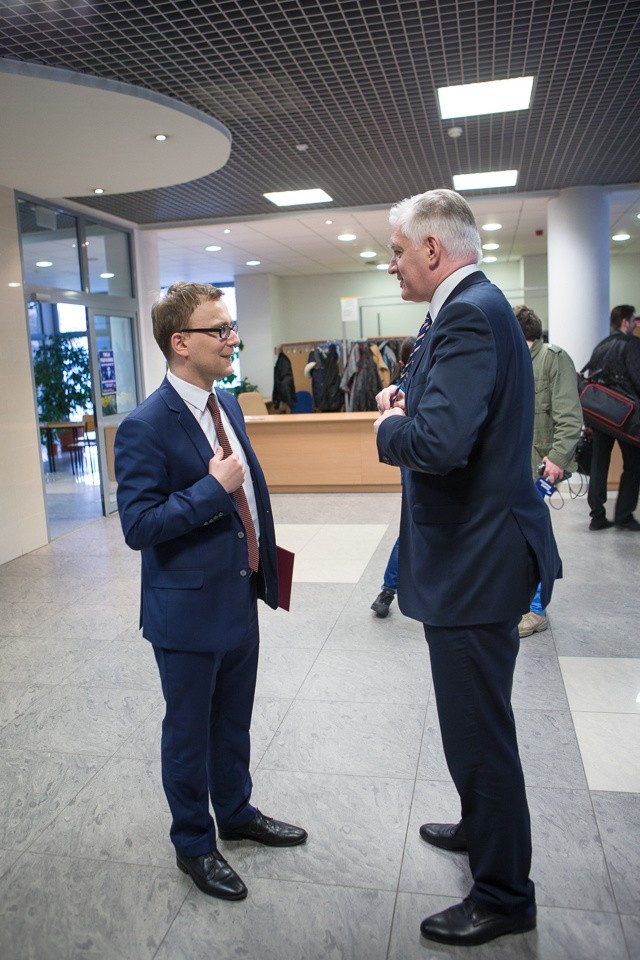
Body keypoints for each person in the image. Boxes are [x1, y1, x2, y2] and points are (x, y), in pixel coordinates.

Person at [373, 189, 562, 947]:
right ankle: (480, 827)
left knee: (479, 732)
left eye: (395, 251)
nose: (390, 264)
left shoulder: (466, 315)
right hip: (476, 552)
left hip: (475, 560)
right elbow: (457, 416)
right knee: (474, 725)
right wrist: (409, 397)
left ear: (430, 250)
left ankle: (504, 893)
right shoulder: (473, 309)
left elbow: (439, 445)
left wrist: (391, 426)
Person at [114, 282, 307, 902]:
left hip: (238, 596)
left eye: (230, 328)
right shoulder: (146, 425)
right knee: (189, 732)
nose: (232, 339)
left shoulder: (230, 404)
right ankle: (194, 843)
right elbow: (139, 526)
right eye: (218, 330)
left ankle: (238, 813)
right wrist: (211, 489)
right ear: (180, 343)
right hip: (186, 612)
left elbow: (252, 498)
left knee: (233, 721)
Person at [514, 305, 583, 638]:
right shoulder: (515, 363)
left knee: (536, 537)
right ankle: (523, 600)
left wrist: (556, 459)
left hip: (541, 468)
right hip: (516, 469)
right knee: (522, 536)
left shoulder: (554, 359)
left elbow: (570, 418)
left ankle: (537, 610)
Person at [370, 335, 416, 618]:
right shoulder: (400, 389)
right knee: (409, 529)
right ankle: (388, 590)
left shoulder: (412, 385)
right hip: (413, 465)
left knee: (410, 528)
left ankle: (388, 590)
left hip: (419, 464)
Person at [584, 304, 640, 531]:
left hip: (600, 413)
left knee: (599, 463)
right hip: (625, 415)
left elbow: (590, 380)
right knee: (633, 464)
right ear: (626, 321)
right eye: (634, 320)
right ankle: (624, 516)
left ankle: (597, 516)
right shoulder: (632, 345)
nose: (635, 324)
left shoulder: (601, 346)